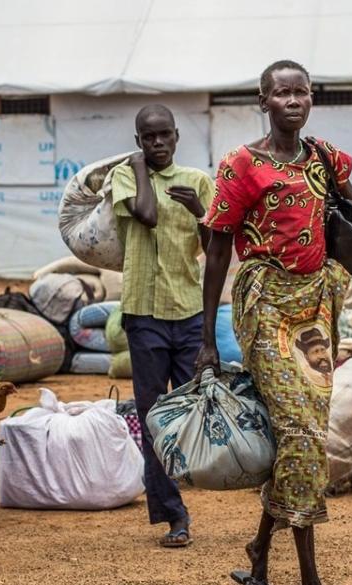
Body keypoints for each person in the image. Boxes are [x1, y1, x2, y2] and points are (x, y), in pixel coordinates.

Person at [195, 60, 352, 585]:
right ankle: (311, 584)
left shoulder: (323, 159)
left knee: (304, 429)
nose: (293, 99)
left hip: (318, 304)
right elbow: (218, 246)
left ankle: (260, 552)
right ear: (263, 101)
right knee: (302, 429)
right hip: (264, 305)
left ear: (311, 99)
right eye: (281, 92)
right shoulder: (241, 166)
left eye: (301, 91)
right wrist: (206, 337)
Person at [111, 104, 215, 548]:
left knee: (194, 408)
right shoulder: (124, 176)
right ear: (138, 141)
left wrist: (200, 215)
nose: (156, 143)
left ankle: (208, 484)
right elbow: (147, 214)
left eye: (163, 136)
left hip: (188, 309)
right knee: (154, 416)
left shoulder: (199, 183)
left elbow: (215, 248)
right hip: (144, 313)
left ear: (176, 137)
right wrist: (138, 168)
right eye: (147, 137)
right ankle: (174, 514)